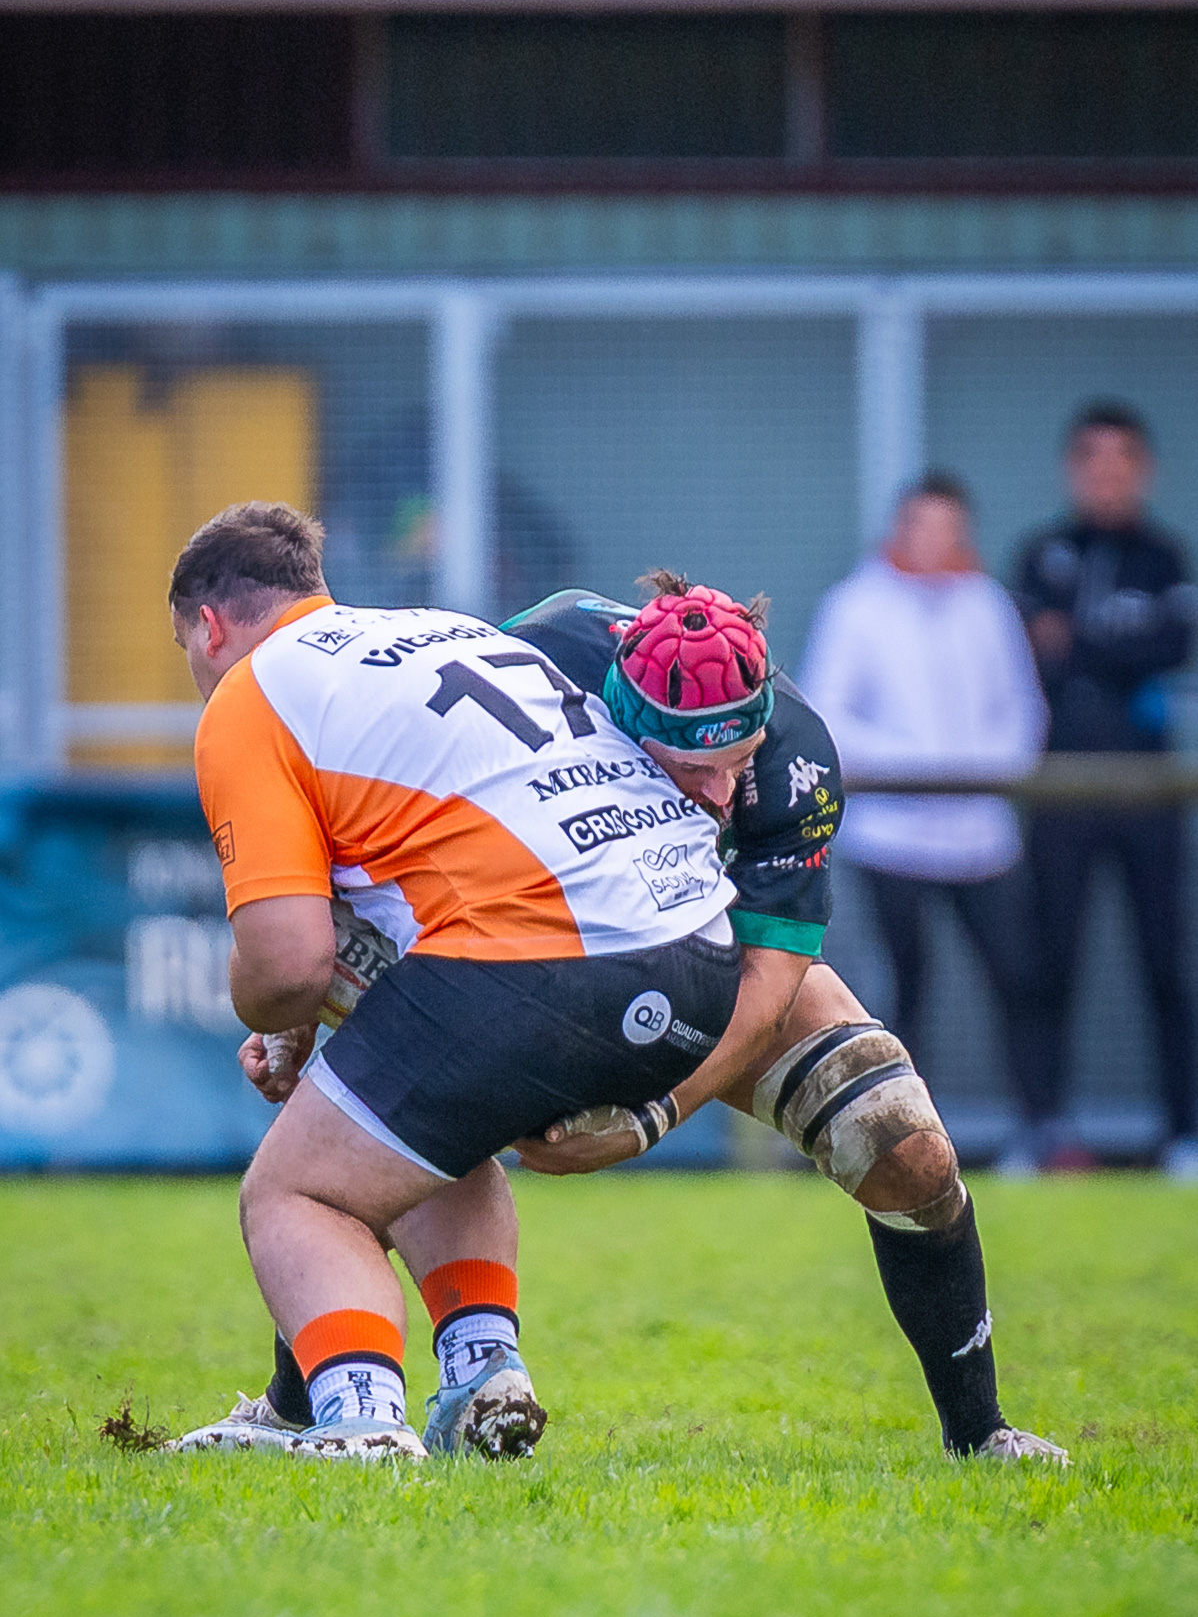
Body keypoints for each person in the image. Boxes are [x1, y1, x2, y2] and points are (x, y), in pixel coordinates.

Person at [180, 571, 1066, 1466]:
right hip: (533, 911)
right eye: (687, 767)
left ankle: (980, 1432)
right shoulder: (547, 643)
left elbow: (767, 982)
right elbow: (412, 779)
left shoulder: (796, 757)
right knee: (375, 1125)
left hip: (710, 931)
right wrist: (307, 1012)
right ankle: (311, 1402)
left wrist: (653, 1117)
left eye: (736, 761)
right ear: (618, 704)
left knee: (897, 1141)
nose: (721, 791)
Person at [168, 504, 745, 1461]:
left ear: (210, 625)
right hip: (697, 955)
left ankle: (361, 1422)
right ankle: (483, 1376)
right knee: (424, 1122)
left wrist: (272, 1016)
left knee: (295, 1194)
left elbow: (285, 963)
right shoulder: (444, 627)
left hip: (543, 955)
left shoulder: (248, 693)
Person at [799, 473, 1049, 1150]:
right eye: (922, 525)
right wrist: (918, 766)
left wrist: (981, 774)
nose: (935, 542)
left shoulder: (987, 604)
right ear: (899, 528)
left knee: (1018, 977)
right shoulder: (854, 606)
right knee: (904, 990)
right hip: (891, 839)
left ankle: (1041, 1132)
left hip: (982, 837)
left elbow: (1021, 709)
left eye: (949, 528)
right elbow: (828, 714)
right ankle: (906, 1141)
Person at [1014, 402, 1198, 1176]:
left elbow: (1173, 644)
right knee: (1050, 964)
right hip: (1059, 790)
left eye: (1122, 462)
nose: (1108, 476)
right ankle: (1045, 1130)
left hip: (1148, 791)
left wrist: (1081, 643)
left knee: (1168, 965)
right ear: (1074, 469)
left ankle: (1184, 1134)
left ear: (1143, 470)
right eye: (1094, 461)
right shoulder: (1041, 554)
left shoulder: (1167, 556)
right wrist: (1109, 648)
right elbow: (1027, 653)